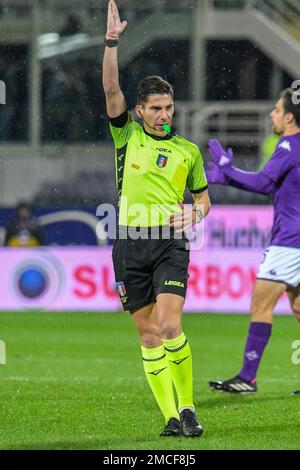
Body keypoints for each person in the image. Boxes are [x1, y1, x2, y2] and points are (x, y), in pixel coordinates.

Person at [102, 0, 211, 437]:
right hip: (129, 244)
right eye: (157, 109)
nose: (165, 115)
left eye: (169, 108)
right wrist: (111, 42)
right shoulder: (125, 134)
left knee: (169, 325)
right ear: (141, 111)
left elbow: (204, 200)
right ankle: (169, 417)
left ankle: (187, 408)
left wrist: (195, 212)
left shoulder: (188, 151)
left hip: (169, 242)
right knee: (147, 336)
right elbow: (111, 90)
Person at [206, 88, 300, 395]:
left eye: (276, 109)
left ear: (289, 116)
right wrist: (229, 176)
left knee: (261, 302)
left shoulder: (288, 144)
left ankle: (248, 376)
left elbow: (263, 182)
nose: (271, 115)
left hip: (290, 241)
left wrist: (228, 171)